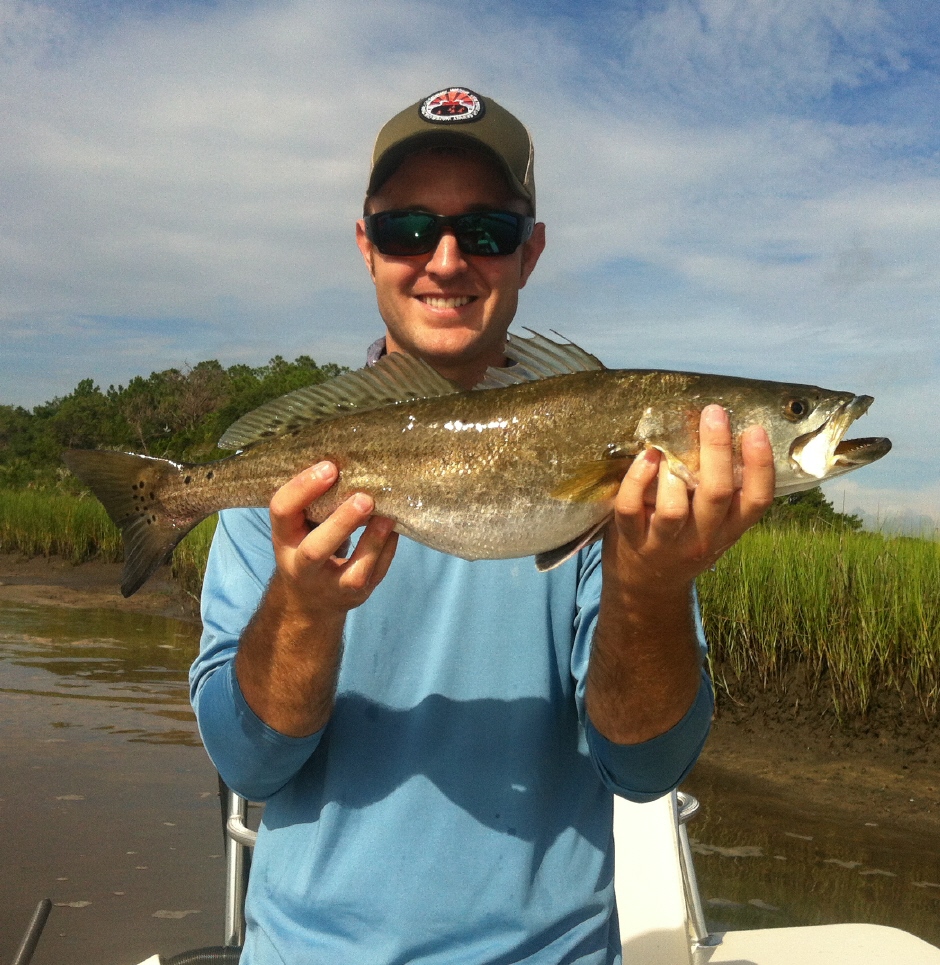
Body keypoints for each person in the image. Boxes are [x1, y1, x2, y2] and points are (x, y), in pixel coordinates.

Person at [190, 87, 775, 964]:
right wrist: (304, 611)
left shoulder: (634, 494)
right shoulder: (293, 476)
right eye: (407, 229)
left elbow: (646, 770)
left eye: (488, 232)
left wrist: (649, 589)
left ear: (529, 252)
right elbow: (248, 764)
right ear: (366, 246)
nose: (446, 259)